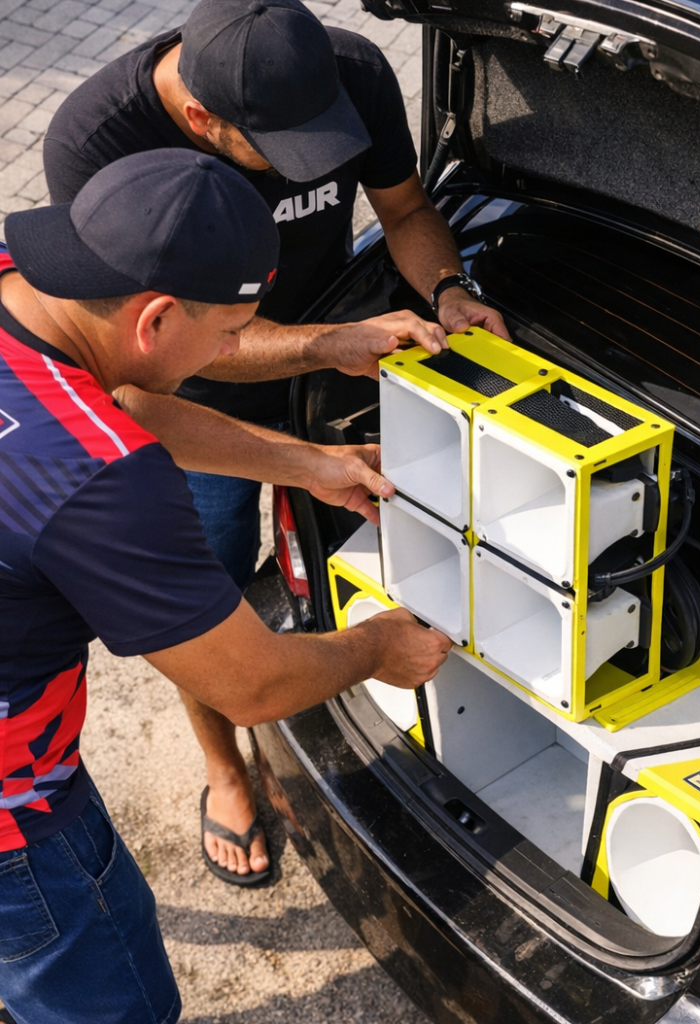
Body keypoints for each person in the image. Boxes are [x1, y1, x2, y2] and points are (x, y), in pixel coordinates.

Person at [43, 0, 508, 884]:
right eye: (281, 150)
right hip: (193, 399)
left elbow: (405, 208)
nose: (314, 164)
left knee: (341, 543)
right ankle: (226, 769)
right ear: (200, 122)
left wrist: (448, 290)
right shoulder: (97, 144)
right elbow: (143, 375)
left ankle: (332, 679)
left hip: (342, 358)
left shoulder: (346, 73)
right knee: (208, 603)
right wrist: (325, 343)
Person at [0, 147, 452, 1024]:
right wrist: (380, 646)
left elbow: (109, 398)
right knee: (106, 985)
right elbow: (252, 685)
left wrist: (306, 461)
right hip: (14, 806)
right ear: (156, 317)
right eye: (228, 334)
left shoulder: (23, 286)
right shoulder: (97, 483)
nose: (232, 350)